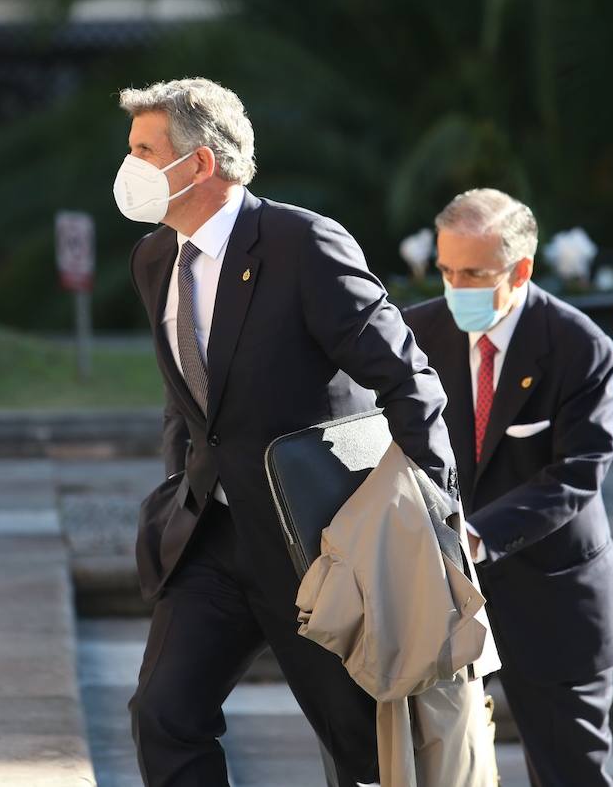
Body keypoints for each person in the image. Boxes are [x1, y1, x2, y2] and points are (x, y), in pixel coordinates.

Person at [117, 77, 455, 787]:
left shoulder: (303, 243)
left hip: (315, 543)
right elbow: (187, 400)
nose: (130, 167)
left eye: (145, 150)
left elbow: (407, 376)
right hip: (210, 537)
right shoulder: (155, 259)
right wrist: (176, 482)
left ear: (200, 163)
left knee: (362, 748)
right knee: (163, 713)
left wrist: (430, 516)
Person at [402, 188, 613, 787]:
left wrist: (478, 534)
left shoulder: (579, 347)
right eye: (448, 270)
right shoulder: (416, 334)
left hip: (552, 598)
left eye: (476, 273)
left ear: (522, 269)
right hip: (442, 600)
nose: (457, 287)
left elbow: (579, 470)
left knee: (569, 774)